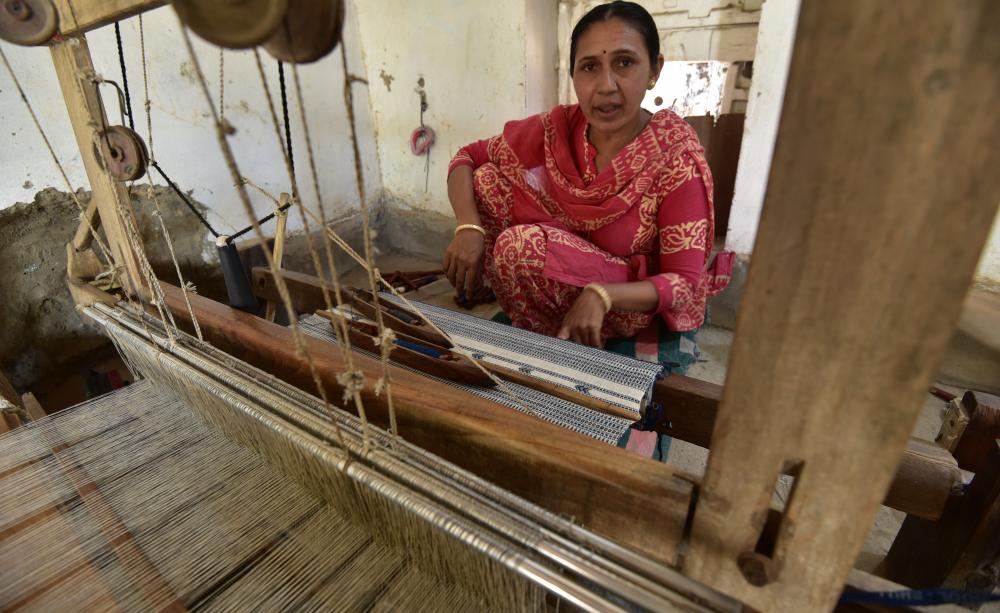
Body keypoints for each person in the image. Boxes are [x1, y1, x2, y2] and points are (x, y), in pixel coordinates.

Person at [442, 0, 732, 371]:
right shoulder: (557, 129)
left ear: (654, 70)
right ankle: (530, 312)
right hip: (559, 269)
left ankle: (554, 347)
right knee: (487, 183)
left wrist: (602, 294)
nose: (606, 86)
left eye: (624, 63)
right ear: (574, 75)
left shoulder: (674, 159)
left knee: (521, 247)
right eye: (590, 67)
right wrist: (468, 227)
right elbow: (466, 157)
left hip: (621, 300)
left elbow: (686, 283)